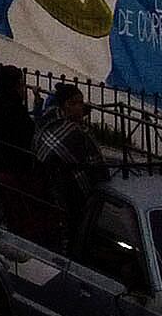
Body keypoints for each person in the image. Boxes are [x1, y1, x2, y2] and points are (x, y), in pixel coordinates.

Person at [36, 82, 110, 243]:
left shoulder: (73, 128)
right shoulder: (65, 129)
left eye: (80, 103)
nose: (79, 108)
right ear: (63, 106)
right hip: (65, 189)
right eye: (73, 103)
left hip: (65, 187)